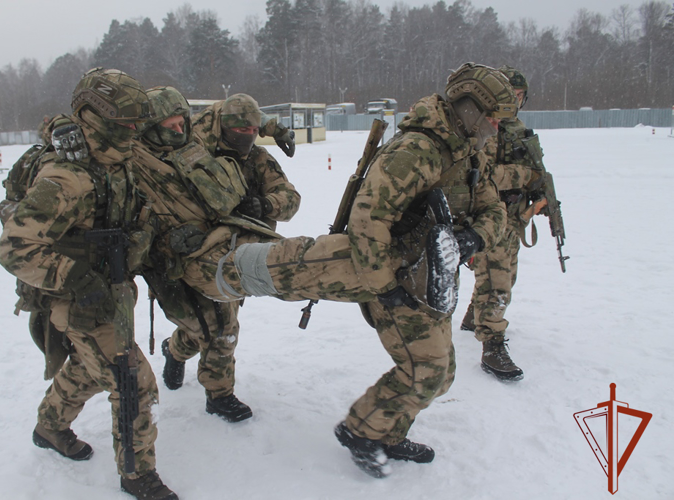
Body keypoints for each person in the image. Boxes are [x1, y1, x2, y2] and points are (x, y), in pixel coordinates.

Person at [168, 63, 513, 478]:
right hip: (389, 272)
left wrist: (471, 239)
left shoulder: (465, 151)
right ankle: (364, 431)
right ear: (470, 107)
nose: (496, 125)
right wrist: (385, 287)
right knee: (427, 369)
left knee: (440, 373)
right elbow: (368, 223)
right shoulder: (417, 152)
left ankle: (385, 429)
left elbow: (495, 210)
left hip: (430, 278)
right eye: (491, 115)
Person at [0, 68, 177, 500]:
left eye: (137, 124)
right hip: (74, 297)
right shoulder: (67, 179)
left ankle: (50, 426)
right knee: (131, 380)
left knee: (90, 367)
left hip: (113, 289)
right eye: (126, 125)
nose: (135, 132)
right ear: (97, 120)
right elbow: (15, 248)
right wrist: (77, 278)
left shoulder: (116, 159)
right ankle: (137, 475)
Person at [156, 93, 301, 421]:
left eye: (252, 131)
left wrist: (265, 205)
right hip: (198, 254)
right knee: (221, 326)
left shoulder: (259, 160)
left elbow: (290, 197)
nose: (246, 137)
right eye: (239, 131)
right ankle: (219, 395)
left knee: (207, 327)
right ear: (223, 128)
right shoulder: (196, 153)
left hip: (241, 255)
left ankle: (176, 349)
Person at [459, 65, 548, 382]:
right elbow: (480, 175)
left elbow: (531, 168)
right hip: (490, 215)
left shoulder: (518, 128)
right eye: (510, 93)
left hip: (514, 217)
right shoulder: (485, 126)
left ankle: (474, 316)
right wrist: (526, 177)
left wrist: (539, 191)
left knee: (503, 273)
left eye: (520, 95)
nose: (515, 100)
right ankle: (492, 345)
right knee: (497, 282)